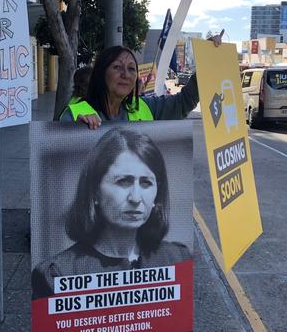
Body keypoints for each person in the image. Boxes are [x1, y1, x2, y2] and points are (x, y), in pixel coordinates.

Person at [31, 127, 191, 299]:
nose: (136, 198)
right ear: (95, 191)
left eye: (146, 183)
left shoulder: (177, 258)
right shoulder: (57, 275)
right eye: (123, 181)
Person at [60, 31, 224, 129]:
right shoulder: (74, 115)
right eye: (117, 67)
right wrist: (74, 133)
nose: (126, 74)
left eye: (132, 69)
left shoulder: (144, 106)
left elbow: (183, 102)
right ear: (101, 74)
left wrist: (206, 58)